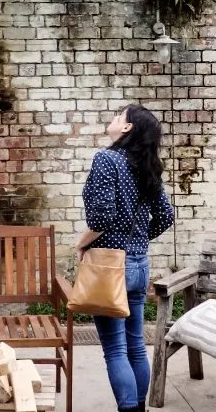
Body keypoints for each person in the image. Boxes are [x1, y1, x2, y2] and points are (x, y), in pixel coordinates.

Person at [81, 104, 175, 412]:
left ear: (127, 128)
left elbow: (100, 217)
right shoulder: (146, 165)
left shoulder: (106, 160)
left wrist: (80, 245)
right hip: (138, 265)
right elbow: (165, 216)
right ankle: (138, 407)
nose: (112, 118)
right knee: (135, 345)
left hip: (110, 267)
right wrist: (135, 239)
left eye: (118, 116)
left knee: (115, 349)